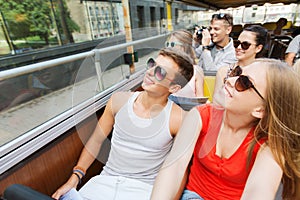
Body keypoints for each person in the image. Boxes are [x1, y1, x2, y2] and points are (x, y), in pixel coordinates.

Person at [52, 47, 194, 200]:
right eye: (152, 64)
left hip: (144, 190)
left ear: (174, 87)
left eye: (160, 72)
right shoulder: (118, 100)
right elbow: (96, 140)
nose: (150, 72)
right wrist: (75, 177)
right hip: (105, 182)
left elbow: (179, 169)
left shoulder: (180, 119)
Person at [150, 59, 300, 200]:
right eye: (236, 72)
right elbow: (174, 166)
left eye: (244, 82)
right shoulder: (201, 116)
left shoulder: (268, 145)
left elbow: (259, 191)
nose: (229, 80)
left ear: (260, 110)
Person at [213, 25, 268, 106]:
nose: (238, 47)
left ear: (258, 48)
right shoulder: (223, 71)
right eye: (236, 43)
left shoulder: (264, 74)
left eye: (245, 45)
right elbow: (216, 103)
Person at [165, 30, 204, 99]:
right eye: (167, 44)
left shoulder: (196, 71)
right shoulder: (164, 69)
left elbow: (200, 97)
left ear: (184, 47)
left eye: (172, 44)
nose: (169, 48)